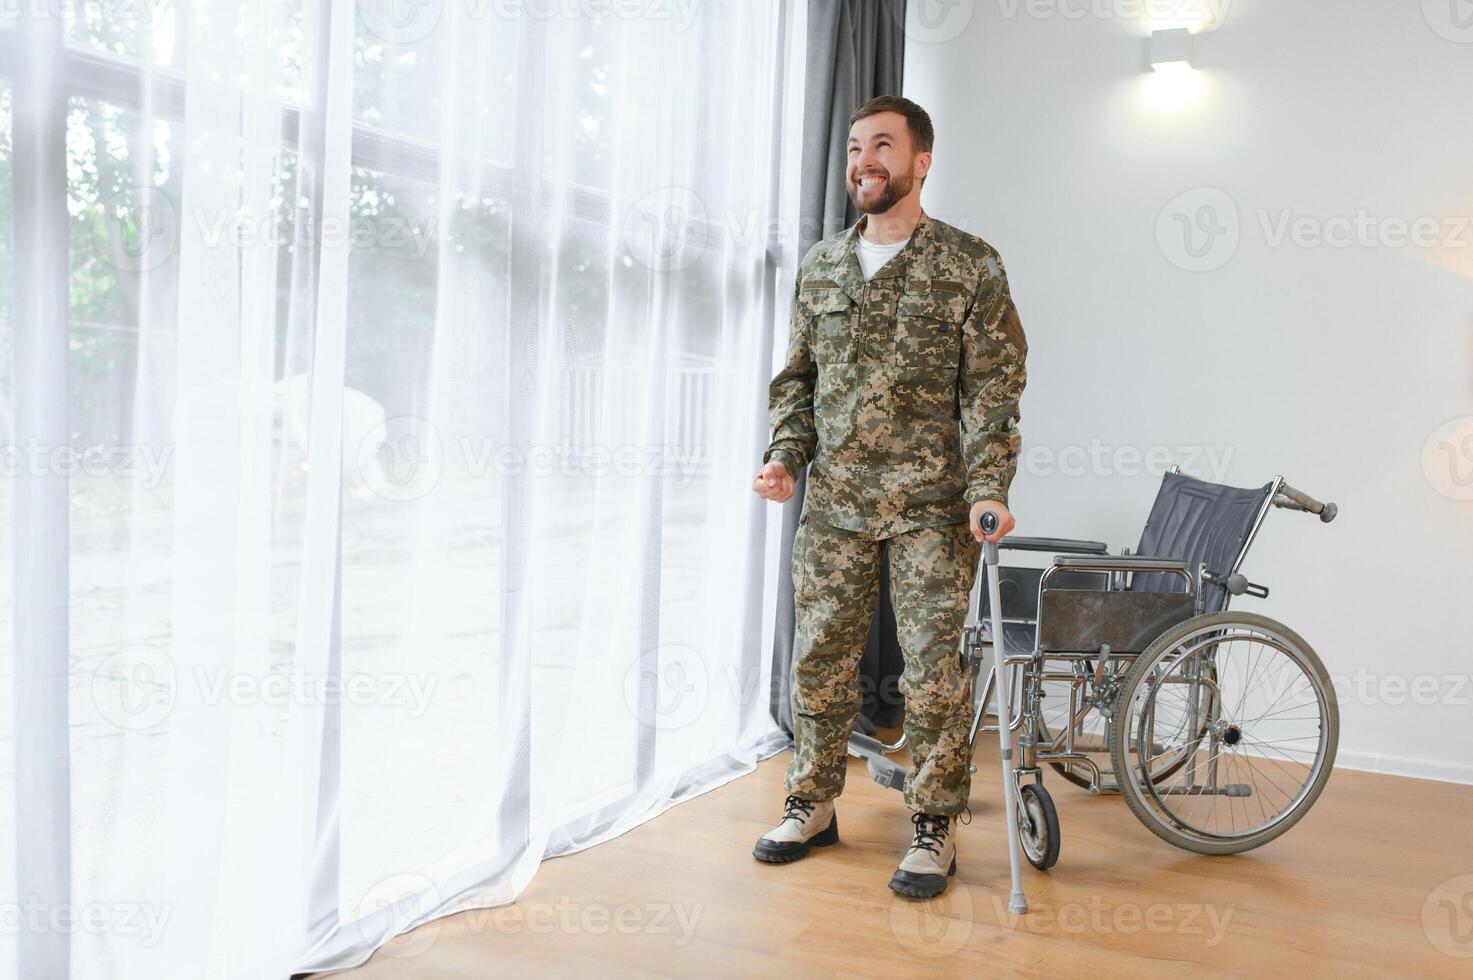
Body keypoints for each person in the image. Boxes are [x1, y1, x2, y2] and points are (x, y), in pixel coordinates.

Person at [750, 95, 1027, 899]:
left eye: (880, 146)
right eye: (852, 148)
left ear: (920, 161)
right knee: (819, 659)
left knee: (933, 671)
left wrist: (989, 488)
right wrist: (784, 456)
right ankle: (810, 801)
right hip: (834, 500)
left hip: (931, 508)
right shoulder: (821, 266)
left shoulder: (969, 265)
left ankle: (933, 823)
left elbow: (992, 391)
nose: (862, 161)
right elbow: (796, 381)